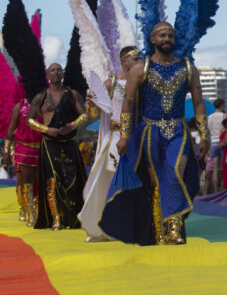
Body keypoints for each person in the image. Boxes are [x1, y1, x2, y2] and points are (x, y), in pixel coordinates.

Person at [99, 22, 208, 245]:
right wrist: (125, 136)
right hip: (150, 133)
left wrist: (205, 134)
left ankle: (174, 228)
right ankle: (159, 230)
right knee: (157, 181)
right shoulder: (141, 69)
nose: (166, 38)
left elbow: (198, 103)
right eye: (162, 35)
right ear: (153, 39)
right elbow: (127, 104)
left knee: (175, 171)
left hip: (178, 131)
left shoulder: (188, 68)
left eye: (170, 35)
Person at [79, 46, 141, 241]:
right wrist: (91, 102)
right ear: (124, 60)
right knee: (112, 180)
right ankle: (104, 224)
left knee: (135, 182)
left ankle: (131, 224)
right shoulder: (111, 83)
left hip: (136, 137)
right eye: (135, 58)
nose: (138, 61)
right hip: (115, 138)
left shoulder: (141, 83)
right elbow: (93, 114)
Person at [27, 63, 88, 230]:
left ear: (63, 73)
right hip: (49, 144)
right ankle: (56, 218)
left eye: (58, 69)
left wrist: (72, 126)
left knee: (73, 180)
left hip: (69, 143)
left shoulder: (73, 94)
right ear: (47, 74)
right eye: (52, 70)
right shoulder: (40, 97)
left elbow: (83, 115)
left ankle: (75, 218)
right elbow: (30, 120)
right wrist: (46, 129)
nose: (55, 72)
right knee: (52, 180)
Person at [4, 98, 43, 226]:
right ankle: (25, 210)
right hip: (23, 148)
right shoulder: (19, 106)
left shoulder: (45, 104)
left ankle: (38, 211)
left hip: (41, 149)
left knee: (39, 183)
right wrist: (6, 152)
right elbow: (11, 129)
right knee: (23, 183)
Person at [207, 98, 226, 193]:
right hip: (222, 143)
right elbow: (225, 130)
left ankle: (215, 190)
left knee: (215, 169)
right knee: (222, 169)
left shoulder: (209, 117)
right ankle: (222, 190)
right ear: (222, 105)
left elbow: (208, 132)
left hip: (213, 143)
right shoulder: (224, 116)